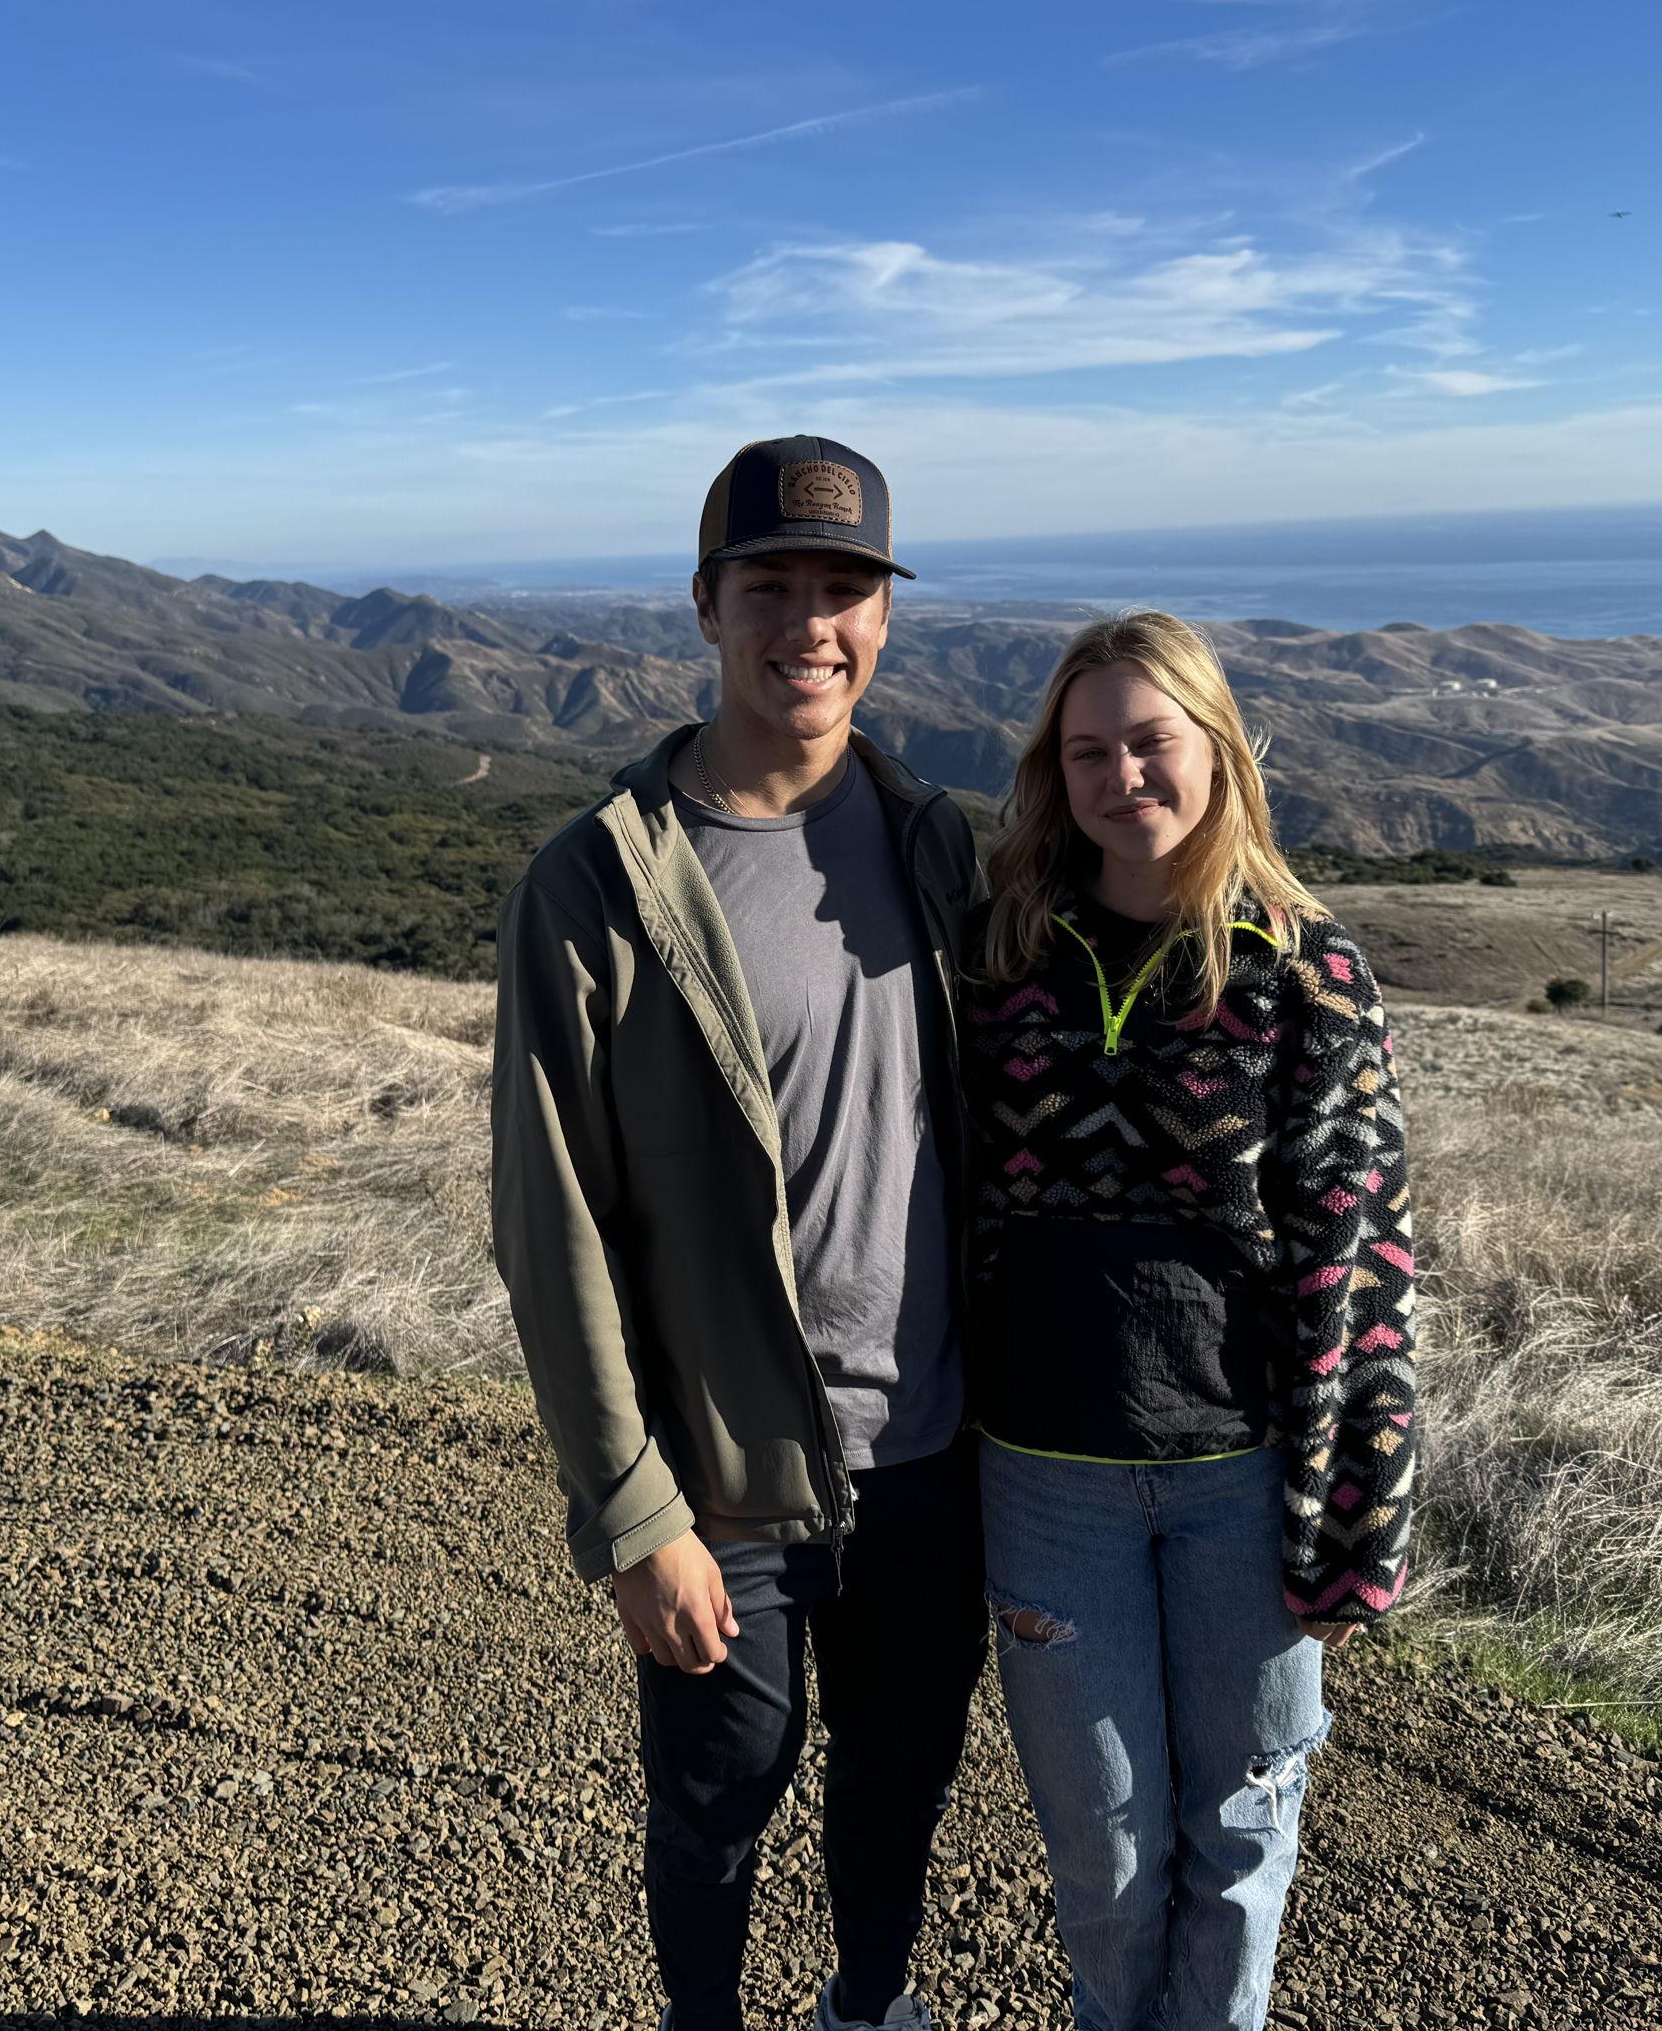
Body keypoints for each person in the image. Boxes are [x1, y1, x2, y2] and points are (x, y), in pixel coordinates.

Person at [490, 436, 986, 2031]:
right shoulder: (598, 883)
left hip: (932, 1456)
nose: (811, 623)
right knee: (718, 1807)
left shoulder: (937, 846)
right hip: (726, 1477)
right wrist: (635, 1517)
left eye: (845, 588)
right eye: (771, 585)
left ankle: (869, 2008)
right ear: (705, 606)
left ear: (887, 618)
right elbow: (548, 1225)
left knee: (897, 1788)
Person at [962, 610, 1417, 2031]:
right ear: (1055, 769)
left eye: (1151, 743)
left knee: (1240, 1835)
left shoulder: (1307, 970)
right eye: (1087, 749)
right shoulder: (1003, 951)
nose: (1122, 777)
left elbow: (1363, 1255)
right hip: (1046, 1477)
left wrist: (1361, 1524)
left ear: (1219, 752)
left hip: (1242, 1482)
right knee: (1103, 1855)